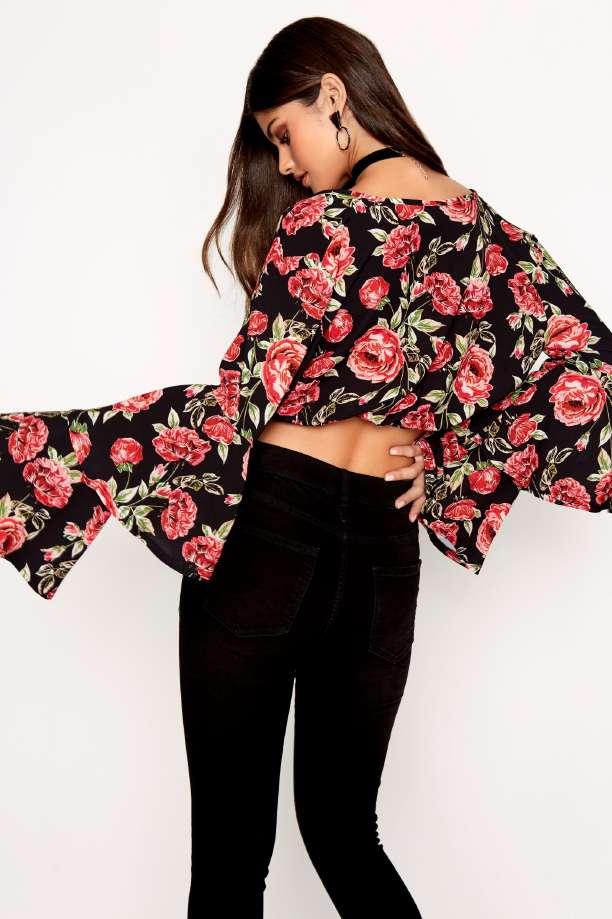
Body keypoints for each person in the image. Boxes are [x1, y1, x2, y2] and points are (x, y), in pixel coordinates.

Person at [1, 16, 610, 918]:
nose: (285, 165)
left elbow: (237, 408)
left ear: (333, 94)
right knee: (345, 833)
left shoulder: (324, 226)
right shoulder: (491, 238)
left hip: (268, 534)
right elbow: (585, 377)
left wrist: (58, 448)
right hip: (383, 557)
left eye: (283, 135)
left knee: (230, 864)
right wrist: (454, 462)